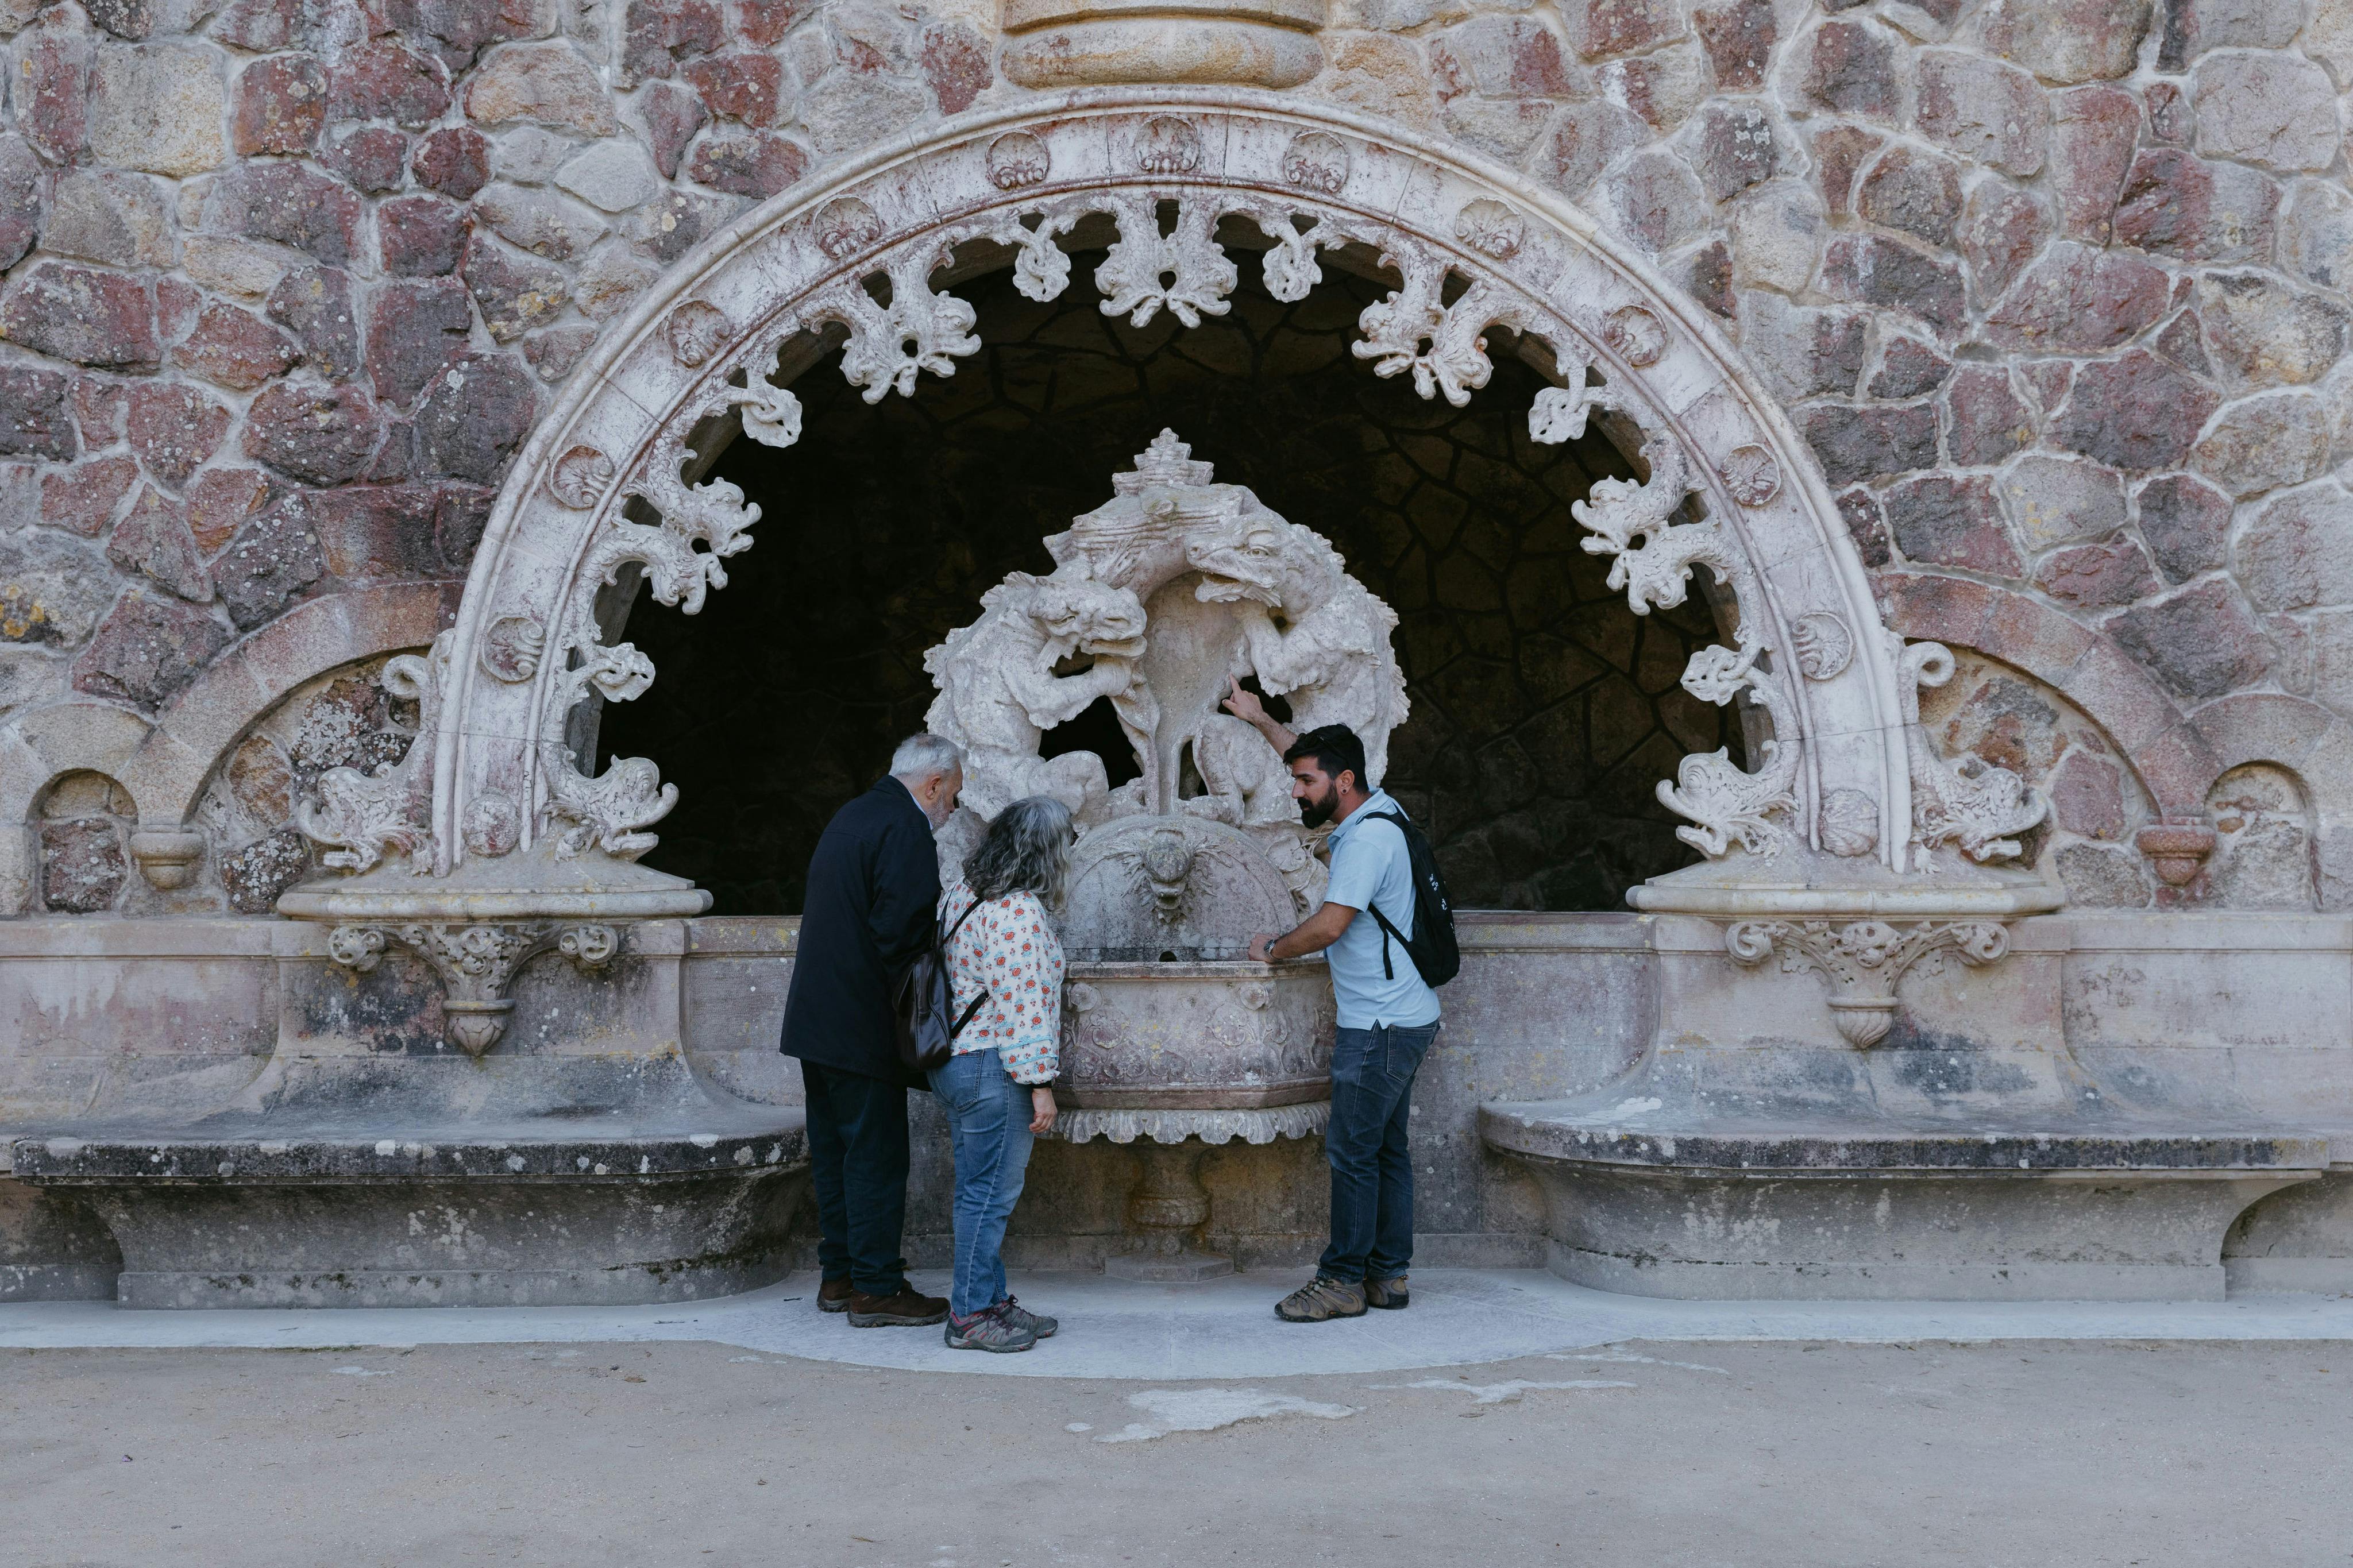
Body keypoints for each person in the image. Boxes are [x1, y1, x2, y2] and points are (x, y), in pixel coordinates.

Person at [1225, 681, 1442, 1324]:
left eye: (1305, 783)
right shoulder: (1377, 809)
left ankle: (1342, 1280)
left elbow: (1328, 927)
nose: (1296, 791)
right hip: (1405, 1015)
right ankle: (1389, 1275)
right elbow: (1308, 753)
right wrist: (1261, 719)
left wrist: (1271, 949)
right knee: (1384, 1150)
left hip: (1378, 1025)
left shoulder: (1364, 843)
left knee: (1353, 1153)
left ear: (1342, 782)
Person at [779, 733, 965, 1329]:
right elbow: (902, 934)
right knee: (876, 1158)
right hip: (860, 1025)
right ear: (932, 785)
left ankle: (840, 1276)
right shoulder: (904, 828)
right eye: (953, 797)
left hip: (817, 1020)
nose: (950, 811)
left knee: (834, 1153)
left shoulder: (855, 814)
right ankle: (878, 1288)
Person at [932, 795, 1071, 1352]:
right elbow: (1024, 1005)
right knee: (987, 1199)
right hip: (994, 1069)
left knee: (977, 1192)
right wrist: (1040, 1085)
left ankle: (990, 1303)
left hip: (958, 1063)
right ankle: (968, 1317)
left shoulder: (963, 895)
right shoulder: (1016, 912)